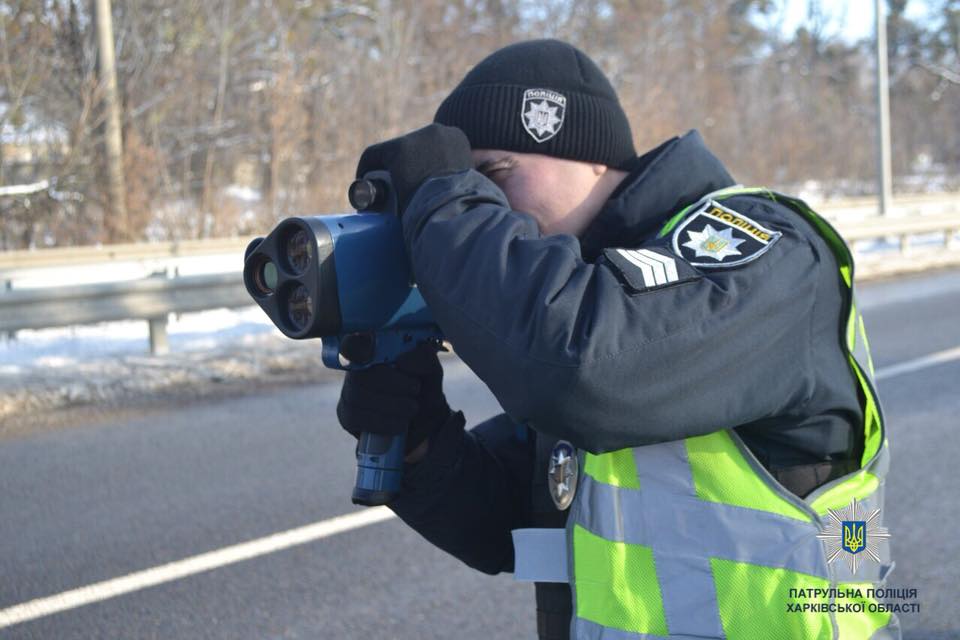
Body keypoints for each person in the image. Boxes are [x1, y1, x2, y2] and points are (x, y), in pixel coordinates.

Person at [336, 39, 898, 640]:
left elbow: (583, 371)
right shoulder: (598, 297)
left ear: (592, 156)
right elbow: (511, 520)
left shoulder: (759, 249)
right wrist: (420, 439)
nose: (485, 206)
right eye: (470, 188)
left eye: (493, 175)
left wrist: (442, 199)